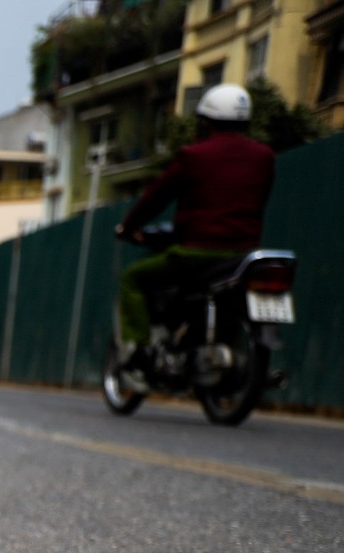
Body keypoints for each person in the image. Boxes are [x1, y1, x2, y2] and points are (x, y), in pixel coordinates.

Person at [114, 83, 276, 392]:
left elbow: (156, 197)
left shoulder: (194, 156)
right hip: (243, 255)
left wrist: (127, 226)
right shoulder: (264, 157)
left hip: (197, 254)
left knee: (133, 279)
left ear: (206, 121)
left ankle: (137, 351)